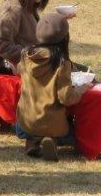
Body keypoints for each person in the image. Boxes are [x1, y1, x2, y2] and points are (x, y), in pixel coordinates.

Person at [16, 12, 91, 160]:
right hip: (51, 123)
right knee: (72, 132)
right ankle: (51, 140)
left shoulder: (25, 56)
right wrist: (81, 89)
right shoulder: (62, 63)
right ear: (64, 37)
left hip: (24, 123)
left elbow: (20, 71)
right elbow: (66, 98)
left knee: (33, 126)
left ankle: (32, 142)